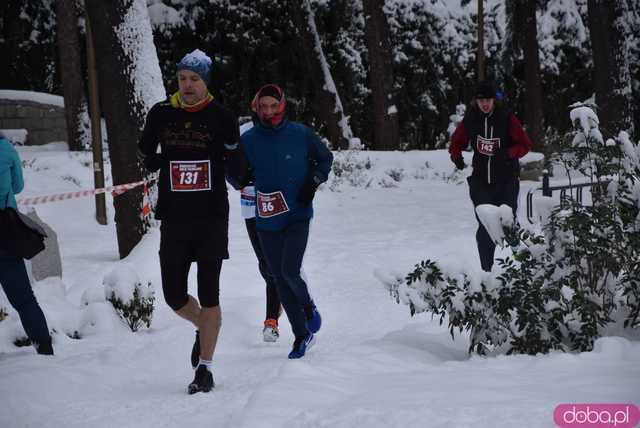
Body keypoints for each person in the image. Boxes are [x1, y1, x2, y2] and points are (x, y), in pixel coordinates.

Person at [137, 49, 245, 394]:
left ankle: (206, 368)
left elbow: (235, 158)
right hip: (174, 216)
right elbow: (145, 149)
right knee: (173, 294)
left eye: (194, 79)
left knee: (208, 293)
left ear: (206, 82)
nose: (187, 85)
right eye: (182, 78)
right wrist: (152, 161)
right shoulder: (161, 113)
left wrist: (245, 175)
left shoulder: (222, 117)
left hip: (211, 216)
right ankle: (205, 326)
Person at [238, 84, 333, 359]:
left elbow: (324, 159)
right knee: (278, 277)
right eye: (263, 106)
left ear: (281, 106)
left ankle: (307, 307)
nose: (268, 112)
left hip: (297, 214)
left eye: (273, 106)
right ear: (256, 107)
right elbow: (234, 170)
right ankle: (302, 335)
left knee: (290, 271)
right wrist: (242, 180)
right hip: (266, 218)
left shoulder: (300, 134)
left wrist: (312, 183)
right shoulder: (249, 140)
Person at [449, 79, 532, 272]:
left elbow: (525, 145)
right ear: (475, 102)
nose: (484, 104)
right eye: (480, 101)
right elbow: (457, 140)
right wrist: (456, 155)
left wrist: (508, 154)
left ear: (494, 100)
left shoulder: (506, 118)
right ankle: (487, 272)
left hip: (506, 181)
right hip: (480, 182)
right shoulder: (471, 118)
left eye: (488, 100)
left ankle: (526, 266)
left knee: (508, 224)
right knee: (485, 225)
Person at [0, 133, 53, 355]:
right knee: (24, 299)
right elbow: (18, 186)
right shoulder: (6, 150)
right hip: (5, 232)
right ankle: (44, 347)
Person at [239, 183, 282, 342]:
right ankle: (280, 298)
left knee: (273, 263)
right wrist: (239, 179)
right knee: (264, 263)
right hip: (250, 204)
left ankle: (271, 321)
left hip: (274, 200)